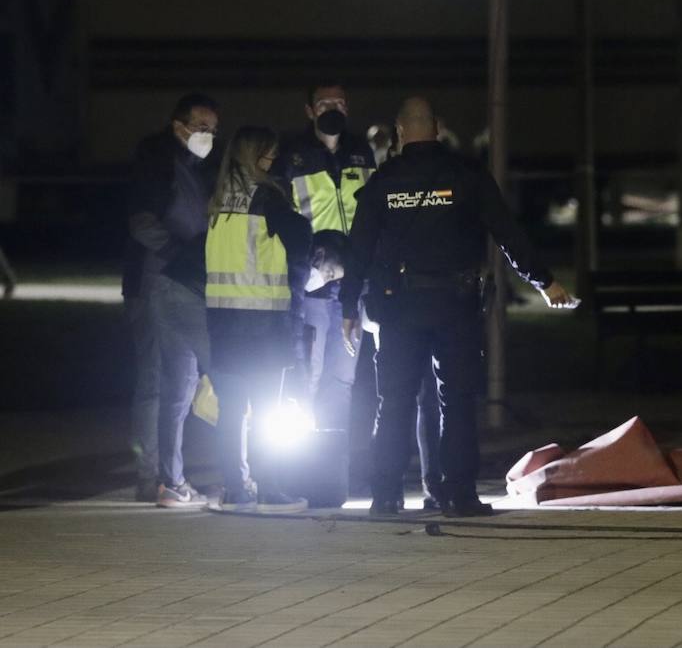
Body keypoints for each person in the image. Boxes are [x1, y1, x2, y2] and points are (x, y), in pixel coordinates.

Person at [340, 96, 577, 517]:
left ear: (399, 132)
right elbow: (507, 232)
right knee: (457, 400)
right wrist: (545, 281)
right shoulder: (466, 174)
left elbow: (359, 249)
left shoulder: (384, 180)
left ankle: (386, 496)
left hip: (398, 308)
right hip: (455, 306)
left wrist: (347, 307)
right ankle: (460, 495)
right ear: (437, 128)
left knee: (393, 401)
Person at [274, 83, 375, 502]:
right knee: (308, 379)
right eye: (324, 104)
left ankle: (336, 472)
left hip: (352, 287)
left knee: (343, 381)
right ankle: (301, 473)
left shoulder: (362, 154)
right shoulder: (291, 156)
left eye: (339, 103)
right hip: (313, 287)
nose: (332, 109)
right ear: (309, 110)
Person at [204, 127, 313, 513]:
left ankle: (234, 489)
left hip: (222, 319)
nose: (274, 161)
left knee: (231, 411)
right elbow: (302, 240)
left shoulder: (217, 195)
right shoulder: (267, 195)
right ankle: (270, 488)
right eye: (268, 155)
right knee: (267, 409)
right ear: (254, 156)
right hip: (264, 321)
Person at [126, 93, 220, 507]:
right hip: (155, 281)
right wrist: (182, 257)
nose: (207, 135)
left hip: (184, 283)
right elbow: (142, 222)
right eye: (200, 127)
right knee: (154, 381)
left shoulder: (199, 168)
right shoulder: (157, 160)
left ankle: (168, 475)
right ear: (177, 125)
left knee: (179, 382)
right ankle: (151, 476)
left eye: (213, 129)